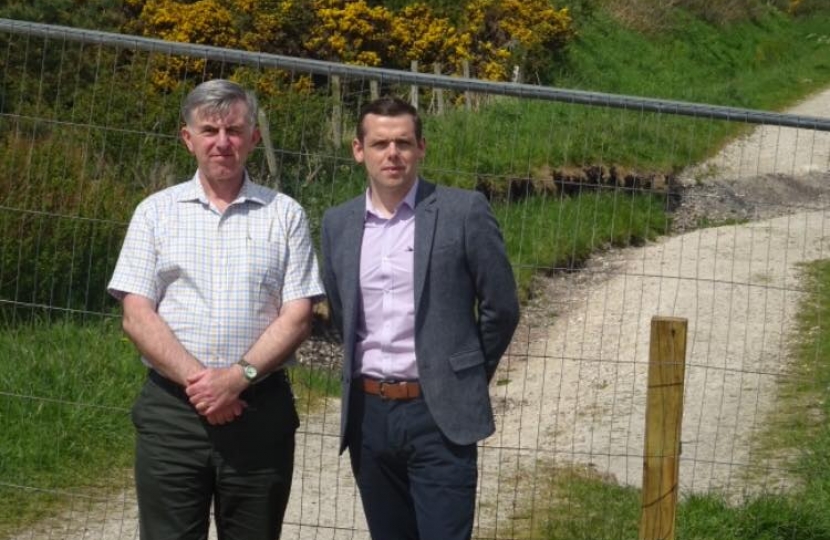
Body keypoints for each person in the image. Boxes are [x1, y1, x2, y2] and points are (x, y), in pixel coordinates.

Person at [108, 79, 323, 540]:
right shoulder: (154, 213)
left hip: (259, 412)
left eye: (234, 130)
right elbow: (136, 314)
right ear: (188, 138)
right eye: (209, 130)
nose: (222, 142)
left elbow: (299, 314)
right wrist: (203, 385)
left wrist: (236, 378)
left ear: (254, 138)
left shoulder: (286, 214)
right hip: (173, 417)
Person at [321, 97, 520, 540]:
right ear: (358, 150)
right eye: (380, 144)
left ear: (421, 148)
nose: (392, 154)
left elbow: (501, 308)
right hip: (368, 414)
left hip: (438, 415)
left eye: (403, 143)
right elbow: (340, 308)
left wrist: (461, 375)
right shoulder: (338, 224)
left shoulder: (462, 211)